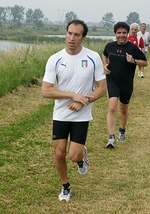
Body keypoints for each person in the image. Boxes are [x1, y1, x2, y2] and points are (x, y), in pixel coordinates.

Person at [41, 19, 107, 202]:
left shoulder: (93, 57)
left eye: (76, 35)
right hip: (61, 113)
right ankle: (66, 187)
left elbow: (102, 88)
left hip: (81, 114)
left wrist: (83, 101)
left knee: (73, 155)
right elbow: (46, 91)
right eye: (69, 33)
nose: (72, 38)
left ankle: (81, 156)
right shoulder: (55, 59)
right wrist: (72, 95)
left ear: (83, 38)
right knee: (59, 152)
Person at [102, 21, 148, 149]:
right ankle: (111, 137)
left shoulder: (132, 48)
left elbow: (145, 63)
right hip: (112, 81)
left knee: (123, 109)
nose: (121, 35)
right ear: (115, 34)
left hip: (126, 83)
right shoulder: (109, 46)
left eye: (123, 33)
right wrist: (105, 64)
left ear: (127, 34)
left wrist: (133, 61)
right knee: (112, 108)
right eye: (119, 33)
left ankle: (122, 130)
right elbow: (104, 54)